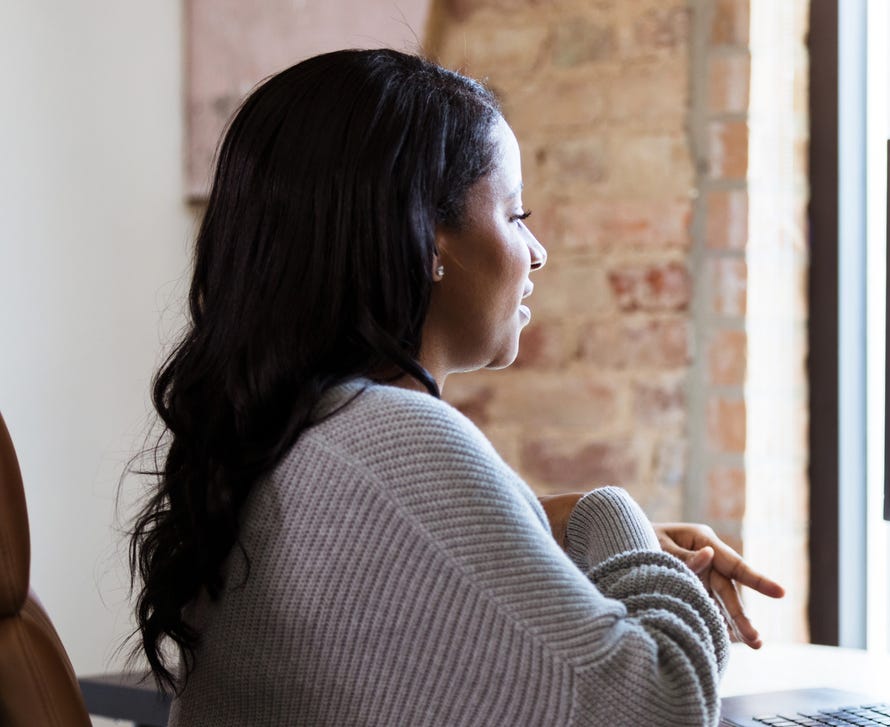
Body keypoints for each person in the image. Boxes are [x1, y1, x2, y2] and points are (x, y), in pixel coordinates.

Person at [127, 49, 784, 726]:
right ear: (429, 239)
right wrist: (610, 516)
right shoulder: (391, 435)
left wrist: (539, 526)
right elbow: (661, 708)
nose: (537, 252)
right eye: (516, 214)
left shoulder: (285, 436)